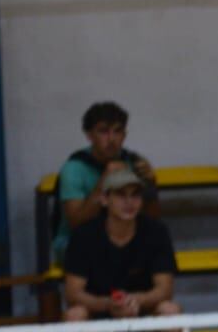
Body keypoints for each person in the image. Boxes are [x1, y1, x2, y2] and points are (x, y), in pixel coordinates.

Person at [61, 164, 183, 332]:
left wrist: (135, 301)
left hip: (141, 320)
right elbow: (73, 292)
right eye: (121, 195)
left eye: (135, 195)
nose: (129, 202)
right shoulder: (84, 236)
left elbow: (164, 288)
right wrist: (107, 305)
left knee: (171, 311)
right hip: (98, 322)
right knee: (74, 316)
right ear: (104, 199)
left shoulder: (156, 231)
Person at [53, 101, 160, 263]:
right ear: (89, 135)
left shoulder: (133, 163)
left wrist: (150, 185)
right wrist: (105, 180)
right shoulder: (74, 168)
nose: (111, 139)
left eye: (117, 131)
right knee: (102, 252)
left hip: (121, 236)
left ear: (124, 135)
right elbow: (77, 224)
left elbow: (152, 222)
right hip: (75, 242)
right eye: (103, 131)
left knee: (157, 243)